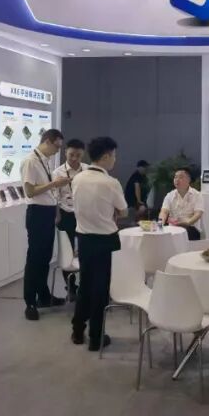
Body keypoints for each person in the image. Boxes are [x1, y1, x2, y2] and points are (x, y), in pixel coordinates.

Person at [71, 137, 127, 351]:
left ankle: (78, 330)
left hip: (84, 239)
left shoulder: (77, 178)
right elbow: (123, 211)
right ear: (105, 156)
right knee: (101, 289)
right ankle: (96, 337)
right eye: (113, 156)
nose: (115, 160)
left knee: (85, 285)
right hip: (106, 240)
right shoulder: (111, 182)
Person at [20, 129, 69, 321]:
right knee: (35, 259)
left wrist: (55, 210)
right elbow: (30, 191)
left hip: (47, 213)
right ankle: (30, 302)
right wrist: (54, 184)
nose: (57, 151)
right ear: (47, 141)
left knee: (45, 258)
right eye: (56, 146)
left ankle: (44, 296)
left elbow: (48, 192)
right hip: (37, 213)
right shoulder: (31, 161)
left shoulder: (45, 161)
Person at [55, 138, 86, 299]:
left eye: (78, 155)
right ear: (65, 152)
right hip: (66, 213)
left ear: (83, 155)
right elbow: (55, 197)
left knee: (85, 249)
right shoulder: (58, 172)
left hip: (85, 215)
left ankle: (85, 286)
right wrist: (57, 216)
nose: (74, 158)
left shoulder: (87, 170)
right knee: (67, 251)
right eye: (71, 154)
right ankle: (71, 287)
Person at [159, 167, 204, 241]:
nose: (177, 179)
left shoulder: (197, 195)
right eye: (175, 177)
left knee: (186, 232)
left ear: (188, 180)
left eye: (181, 177)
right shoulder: (170, 195)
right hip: (173, 228)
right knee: (163, 234)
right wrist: (160, 223)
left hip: (191, 228)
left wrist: (188, 222)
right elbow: (164, 212)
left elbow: (198, 214)